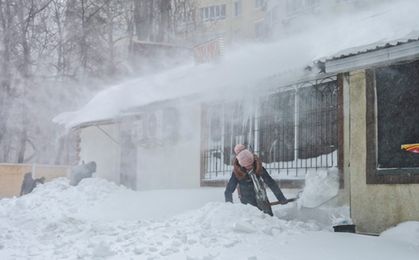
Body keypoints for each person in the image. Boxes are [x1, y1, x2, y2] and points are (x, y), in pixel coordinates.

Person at [224, 145, 288, 216]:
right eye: (247, 166)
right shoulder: (237, 172)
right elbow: (228, 190)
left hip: (262, 199)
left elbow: (270, 183)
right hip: (247, 203)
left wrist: (281, 197)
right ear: (241, 165)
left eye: (250, 164)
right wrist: (229, 207)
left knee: (269, 219)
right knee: (253, 223)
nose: (249, 167)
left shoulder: (258, 167)